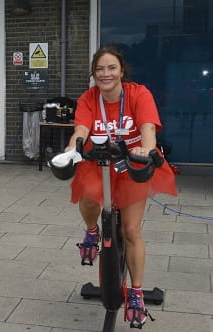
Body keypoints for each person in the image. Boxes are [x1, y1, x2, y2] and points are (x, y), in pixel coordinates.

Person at [64, 46, 177, 328]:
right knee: (87, 198)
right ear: (94, 74)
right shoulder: (88, 99)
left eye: (111, 68)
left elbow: (148, 128)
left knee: (130, 230)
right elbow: (81, 130)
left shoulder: (139, 94)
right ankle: (92, 231)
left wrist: (146, 149)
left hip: (130, 164)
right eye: (100, 69)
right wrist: (73, 147)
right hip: (98, 162)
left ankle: (136, 292)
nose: (106, 74)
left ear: (122, 71)